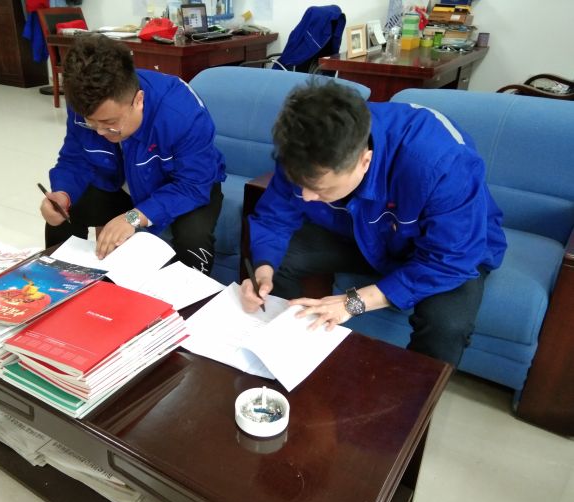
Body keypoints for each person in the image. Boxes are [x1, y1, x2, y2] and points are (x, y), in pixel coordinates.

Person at [241, 80, 507, 366]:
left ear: (364, 161)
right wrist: (263, 271)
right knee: (277, 259)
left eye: (320, 189)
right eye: (299, 183)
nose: (305, 196)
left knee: (447, 325)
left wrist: (353, 302)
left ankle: (415, 391)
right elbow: (275, 217)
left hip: (445, 254)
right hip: (360, 234)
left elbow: (451, 260)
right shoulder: (302, 148)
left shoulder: (442, 163)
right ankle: (281, 357)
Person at [40, 36, 225, 275]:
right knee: (63, 214)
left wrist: (134, 217)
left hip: (180, 186)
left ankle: (189, 297)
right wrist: (63, 193)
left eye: (110, 123)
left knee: (194, 239)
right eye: (91, 123)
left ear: (138, 101)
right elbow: (75, 159)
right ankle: (58, 282)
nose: (100, 132)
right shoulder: (85, 101)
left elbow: (193, 184)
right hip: (117, 181)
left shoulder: (183, 114)